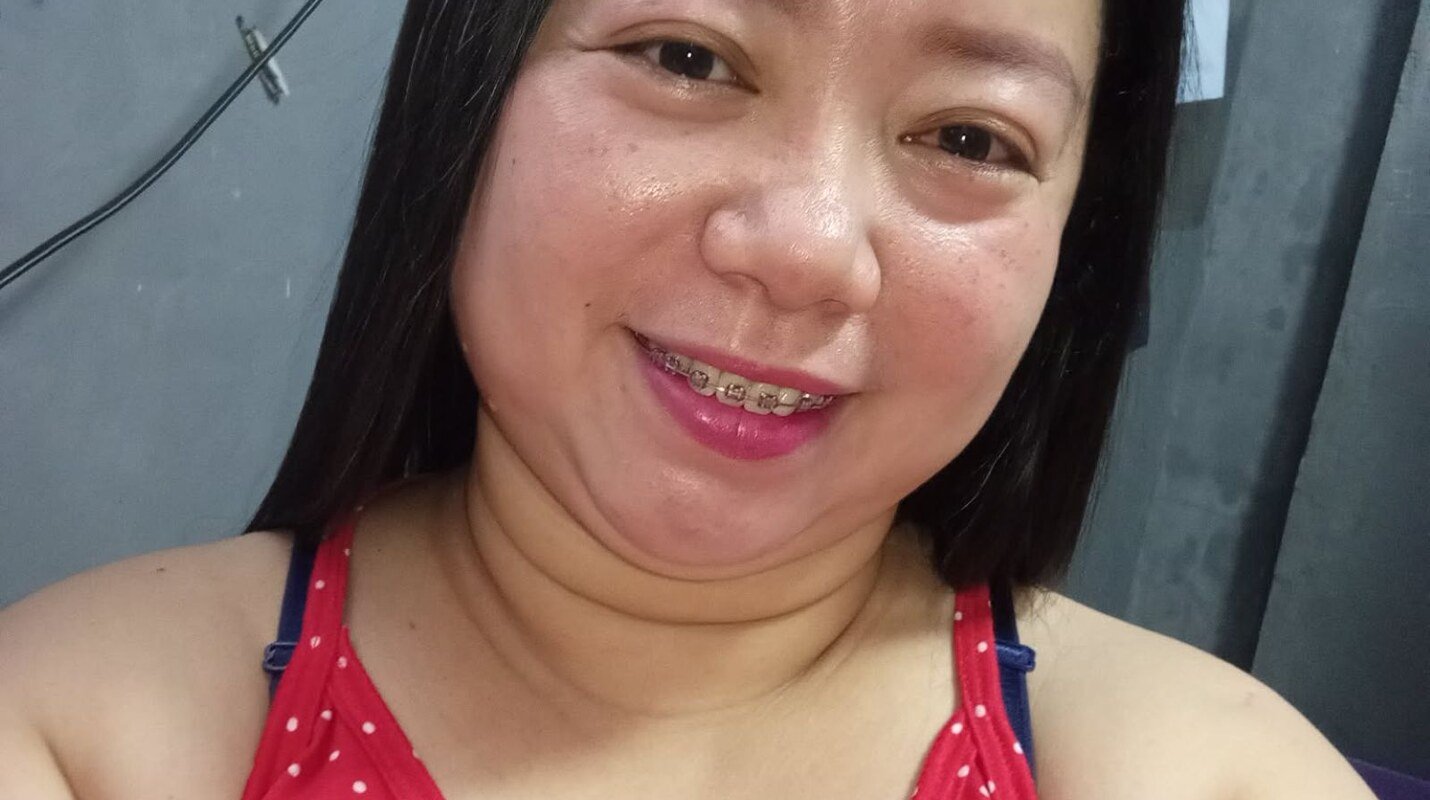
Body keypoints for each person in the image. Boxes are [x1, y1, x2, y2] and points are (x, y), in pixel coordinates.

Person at [0, 0, 1379, 797]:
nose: (805, 247)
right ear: (468, 86)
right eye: (687, 56)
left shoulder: (1205, 776)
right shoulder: (82, 736)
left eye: (968, 136)